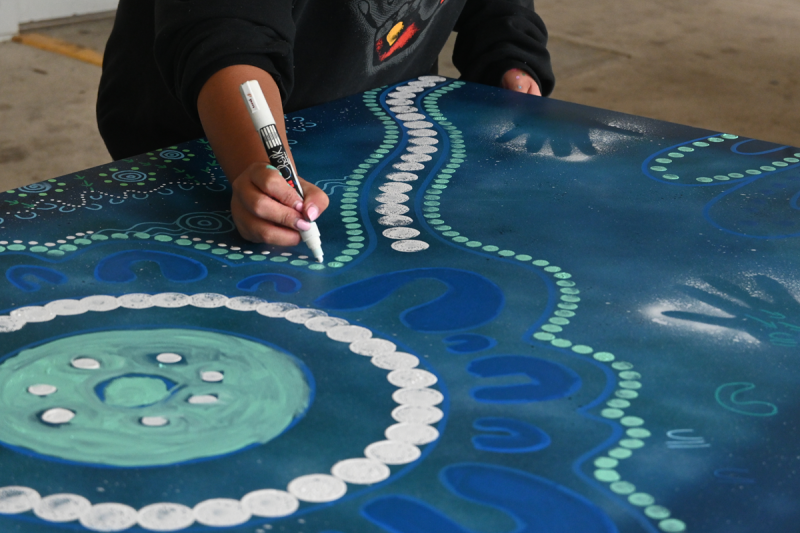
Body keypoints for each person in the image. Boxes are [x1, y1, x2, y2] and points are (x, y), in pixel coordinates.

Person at [97, 0, 554, 246]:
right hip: (203, 146)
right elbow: (225, 37)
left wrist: (509, 57)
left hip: (367, 122)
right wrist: (256, 167)